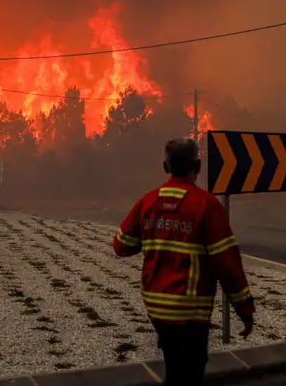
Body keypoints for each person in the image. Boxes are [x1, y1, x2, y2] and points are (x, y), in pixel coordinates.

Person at [113, 137, 256, 386]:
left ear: (165, 167)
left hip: (157, 309)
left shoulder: (148, 202)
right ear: (197, 167)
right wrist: (244, 309)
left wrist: (152, 234)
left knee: (176, 369)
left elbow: (121, 245)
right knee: (188, 375)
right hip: (190, 312)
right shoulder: (206, 206)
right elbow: (227, 264)